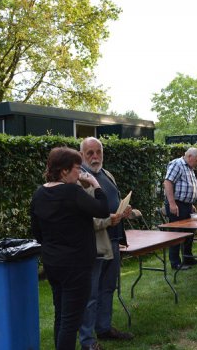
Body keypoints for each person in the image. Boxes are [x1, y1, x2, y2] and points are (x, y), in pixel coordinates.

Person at [30, 147, 110, 350]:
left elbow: (37, 231)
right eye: (77, 168)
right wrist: (95, 184)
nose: (80, 172)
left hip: (53, 263)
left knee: (61, 315)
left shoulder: (39, 193)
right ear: (64, 171)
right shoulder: (72, 192)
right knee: (70, 321)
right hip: (76, 266)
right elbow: (102, 209)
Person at [78, 138, 134, 350]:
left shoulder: (107, 174)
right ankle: (88, 341)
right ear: (81, 155)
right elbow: (81, 219)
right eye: (90, 153)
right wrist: (108, 220)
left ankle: (103, 328)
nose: (95, 157)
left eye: (98, 152)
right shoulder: (80, 180)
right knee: (90, 294)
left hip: (113, 239)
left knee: (108, 288)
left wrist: (124, 211)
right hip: (94, 244)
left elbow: (111, 202)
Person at [164, 147, 197, 270]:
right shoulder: (177, 164)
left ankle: (188, 258)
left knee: (189, 233)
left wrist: (190, 203)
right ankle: (175, 263)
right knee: (176, 234)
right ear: (190, 156)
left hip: (185, 205)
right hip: (177, 205)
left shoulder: (189, 167)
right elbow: (168, 182)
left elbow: (186, 186)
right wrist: (172, 203)